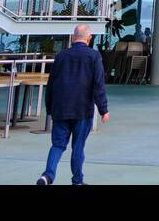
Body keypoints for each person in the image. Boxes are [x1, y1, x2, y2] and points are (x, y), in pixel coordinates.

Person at [36, 24, 108, 186]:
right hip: (82, 109)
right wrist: (103, 109)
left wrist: (49, 107)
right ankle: (77, 181)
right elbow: (98, 84)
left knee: (57, 145)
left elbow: (51, 83)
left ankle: (47, 176)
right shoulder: (94, 56)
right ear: (89, 38)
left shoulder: (61, 56)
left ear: (73, 37)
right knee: (78, 147)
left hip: (60, 109)